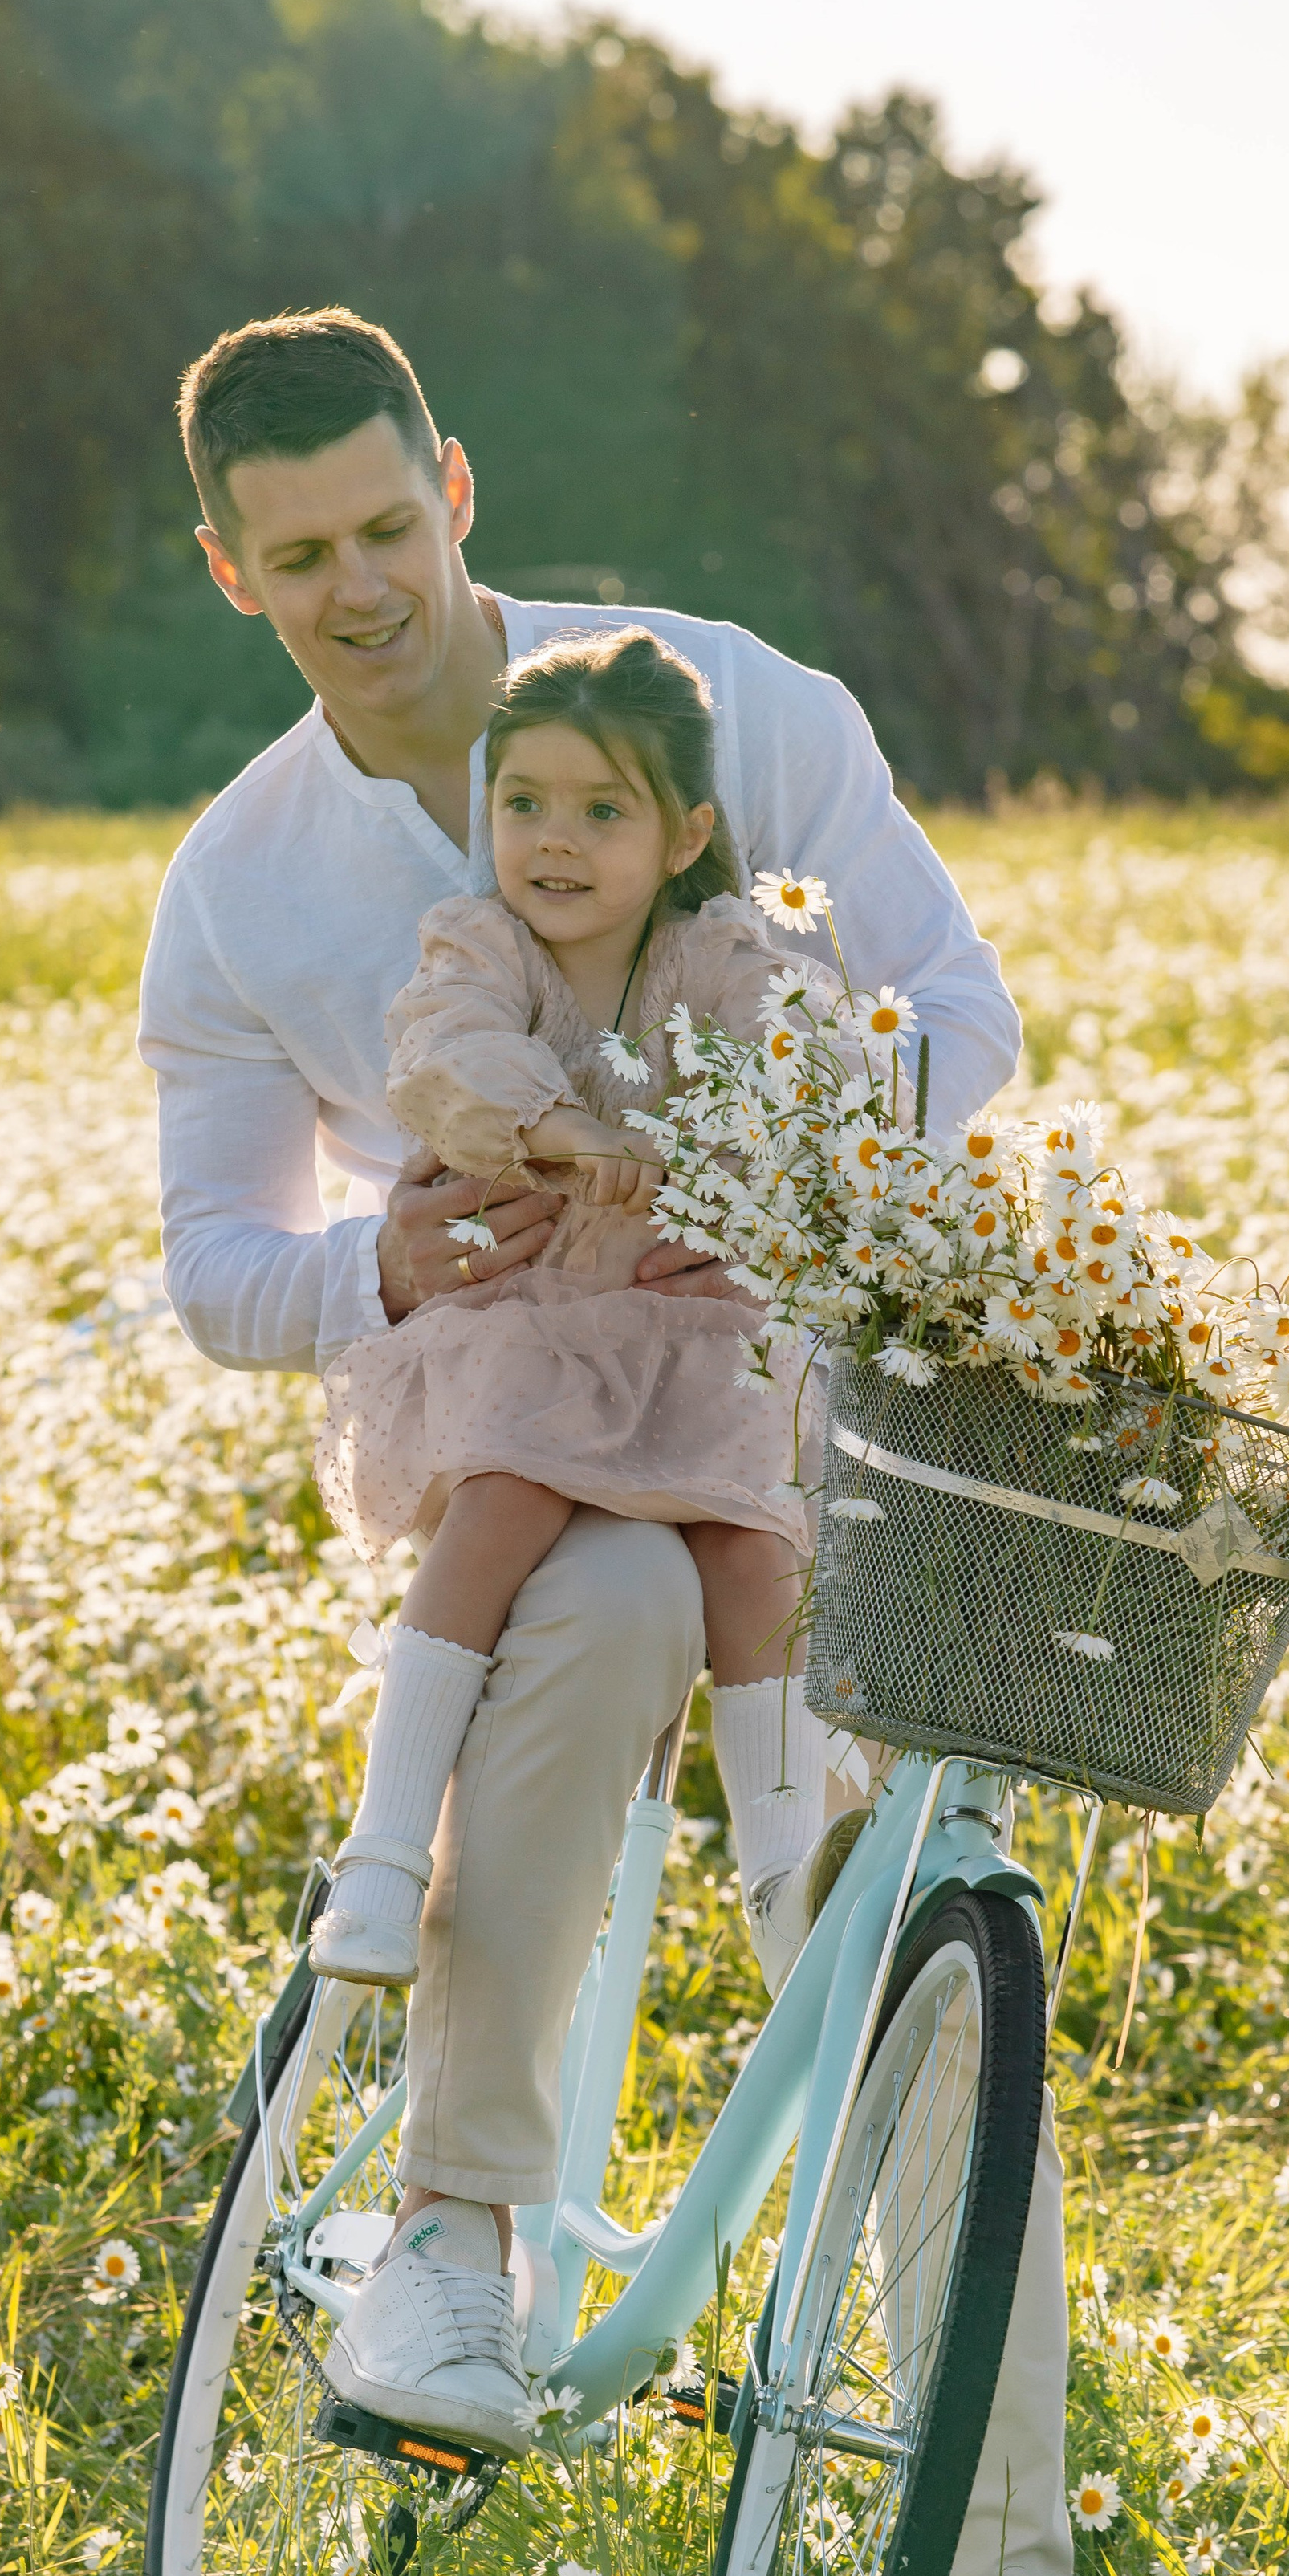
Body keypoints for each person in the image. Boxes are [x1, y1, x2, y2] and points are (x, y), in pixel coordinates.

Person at [137, 305, 1113, 2576]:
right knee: (589, 1605)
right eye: (299, 558)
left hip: (798, 1411)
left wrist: (773, 1149)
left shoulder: (735, 711)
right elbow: (225, 1272)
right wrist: (398, 1258)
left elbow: (954, 1018)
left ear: (454, 489)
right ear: (230, 570)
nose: (360, 589)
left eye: (388, 526)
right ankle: (463, 2242)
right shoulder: (245, 892)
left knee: (904, 1929)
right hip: (542, 1450)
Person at [307, 626, 828, 2021]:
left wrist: (736, 1164)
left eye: (605, 811)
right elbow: (448, 1055)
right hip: (537, 1318)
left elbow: (798, 1049)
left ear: (683, 836)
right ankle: (385, 1844)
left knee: (752, 1541)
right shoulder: (480, 946)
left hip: (687, 1328)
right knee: (505, 1500)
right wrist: (565, 1129)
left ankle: (789, 1880)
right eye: (524, 803)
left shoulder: (716, 950)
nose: (556, 839)